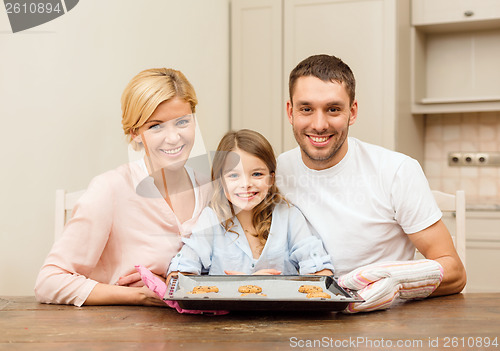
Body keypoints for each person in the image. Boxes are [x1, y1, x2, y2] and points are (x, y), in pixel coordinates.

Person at [275, 54, 467, 312]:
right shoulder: (273, 174)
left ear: (352, 112)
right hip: (298, 320)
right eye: (306, 109)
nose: (319, 124)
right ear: (291, 112)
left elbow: (454, 271)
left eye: (333, 109)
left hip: (382, 323)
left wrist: (396, 283)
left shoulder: (396, 171)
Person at [35, 68, 211, 306]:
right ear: (135, 133)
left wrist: (166, 280)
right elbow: (48, 282)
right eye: (155, 126)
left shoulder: (210, 189)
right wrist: (139, 295)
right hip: (125, 333)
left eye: (182, 122)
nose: (173, 138)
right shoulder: (110, 189)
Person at [168, 129, 334, 277]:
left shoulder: (288, 215)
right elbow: (177, 276)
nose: (246, 184)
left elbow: (322, 272)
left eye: (257, 174)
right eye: (233, 175)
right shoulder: (211, 218)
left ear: (271, 179)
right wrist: (238, 287)